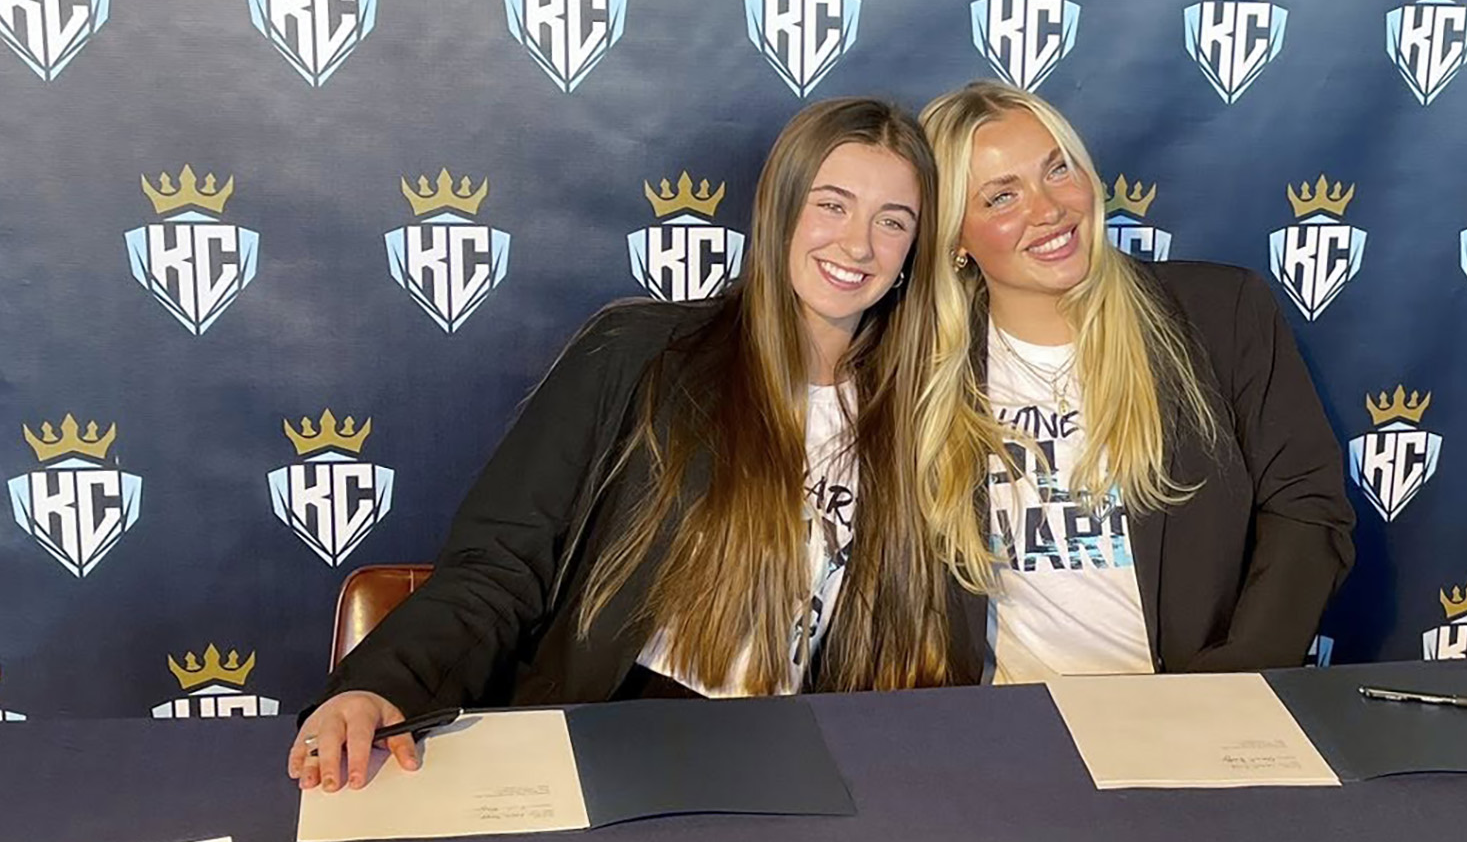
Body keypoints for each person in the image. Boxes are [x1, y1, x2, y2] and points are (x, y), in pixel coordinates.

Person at [290, 97, 965, 792]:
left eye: (892, 221)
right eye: (832, 205)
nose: (858, 245)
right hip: (616, 733)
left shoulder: (917, 411)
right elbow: (498, 565)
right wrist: (377, 686)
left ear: (914, 249)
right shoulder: (641, 354)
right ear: (780, 209)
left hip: (796, 754)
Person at [917, 81, 1355, 683]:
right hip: (1001, 732)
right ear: (956, 239)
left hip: (1194, 716)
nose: (1048, 209)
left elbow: (1307, 510)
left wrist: (1230, 685)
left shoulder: (1221, 314)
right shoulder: (915, 367)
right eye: (1000, 198)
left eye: (1059, 170)